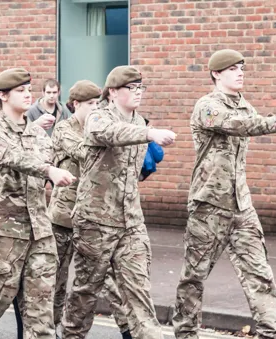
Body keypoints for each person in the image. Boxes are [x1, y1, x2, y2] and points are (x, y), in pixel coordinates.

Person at [172, 49, 276, 339]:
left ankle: (271, 334)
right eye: (232, 69)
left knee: (259, 274)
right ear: (216, 74)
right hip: (208, 206)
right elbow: (239, 126)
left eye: (242, 68)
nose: (240, 73)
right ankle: (185, 334)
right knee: (193, 278)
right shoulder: (207, 106)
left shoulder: (245, 105)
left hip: (241, 207)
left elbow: (249, 120)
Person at [0, 68, 75, 339]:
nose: (27, 94)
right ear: (3, 96)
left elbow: (42, 156)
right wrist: (48, 171)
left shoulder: (39, 135)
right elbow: (14, 158)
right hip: (3, 232)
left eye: (29, 89)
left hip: (40, 231)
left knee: (40, 311)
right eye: (20, 90)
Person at [62, 66, 176, 339]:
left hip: (131, 222)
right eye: (131, 88)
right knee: (85, 294)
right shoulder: (98, 117)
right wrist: (149, 134)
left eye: (141, 88)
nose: (138, 93)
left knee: (139, 293)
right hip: (96, 222)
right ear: (113, 92)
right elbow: (110, 133)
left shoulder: (139, 122)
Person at [47, 80, 132, 339]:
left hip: (95, 219)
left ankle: (128, 329)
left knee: (107, 280)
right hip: (64, 217)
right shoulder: (64, 129)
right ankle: (48, 329)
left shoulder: (103, 127)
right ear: (75, 105)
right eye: (90, 104)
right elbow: (85, 152)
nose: (96, 108)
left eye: (99, 103)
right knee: (56, 281)